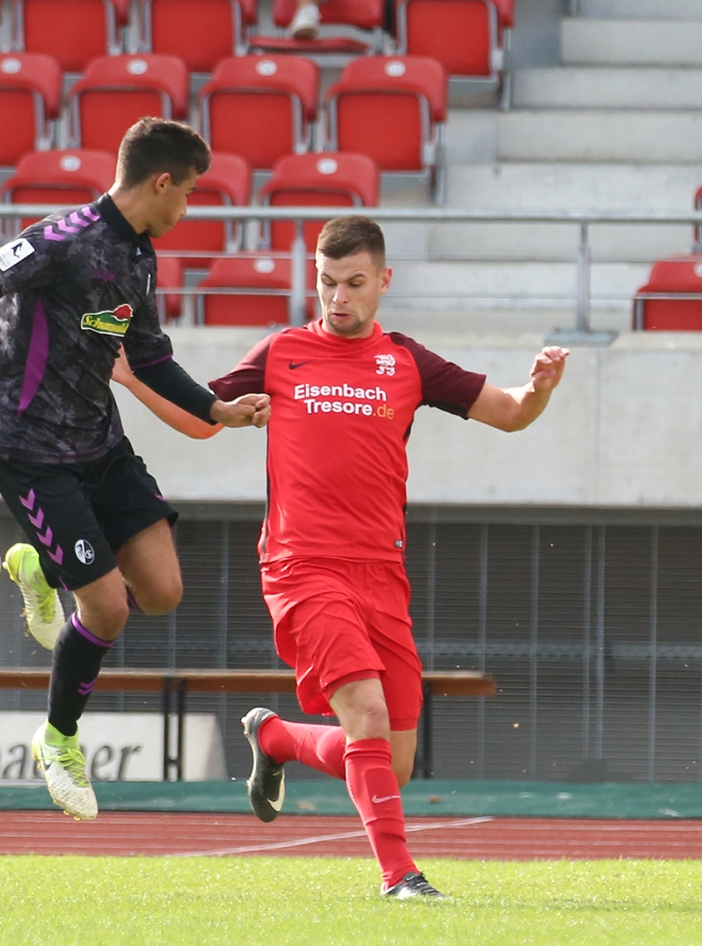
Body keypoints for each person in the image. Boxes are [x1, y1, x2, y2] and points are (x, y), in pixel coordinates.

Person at [204, 215, 569, 898]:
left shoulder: (407, 361)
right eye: (326, 282)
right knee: (367, 718)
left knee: (390, 763)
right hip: (302, 565)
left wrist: (539, 389)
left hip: (381, 572)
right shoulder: (281, 351)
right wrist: (134, 377)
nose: (337, 296)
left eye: (354, 282)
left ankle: (277, 738)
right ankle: (401, 876)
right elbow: (200, 413)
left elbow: (510, 413)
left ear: (383, 281)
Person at [0, 117, 270, 821]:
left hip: (99, 442)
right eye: (189, 192)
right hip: (30, 448)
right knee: (107, 606)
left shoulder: (139, 258)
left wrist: (218, 409)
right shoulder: (63, 238)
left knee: (163, 591)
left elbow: (150, 358)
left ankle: (38, 565)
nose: (187, 208)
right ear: (161, 181)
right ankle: (58, 740)